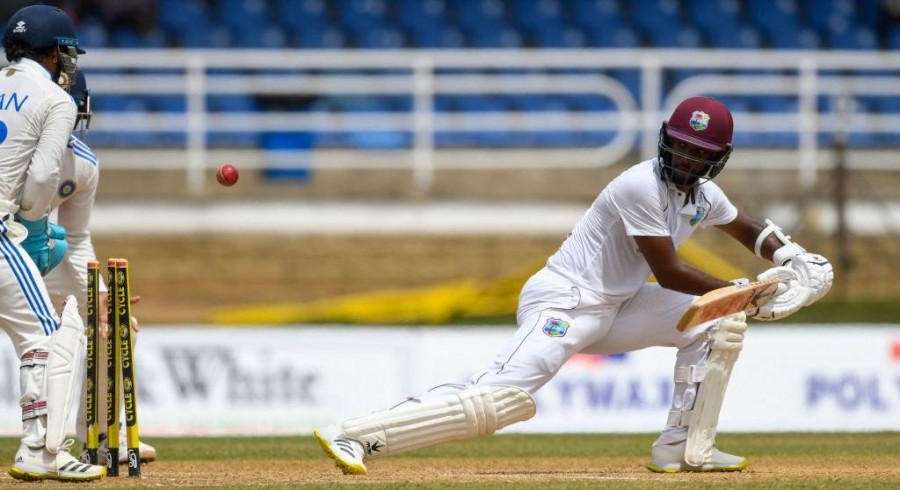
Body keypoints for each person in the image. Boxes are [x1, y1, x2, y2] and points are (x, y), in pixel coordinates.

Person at [313, 96, 834, 474]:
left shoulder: (702, 194)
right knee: (502, 398)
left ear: (718, 157)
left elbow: (747, 228)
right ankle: (358, 434)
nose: (686, 159)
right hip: (565, 298)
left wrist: (789, 254)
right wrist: (751, 292)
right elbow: (671, 271)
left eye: (699, 153)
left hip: (620, 305)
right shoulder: (639, 184)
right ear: (664, 140)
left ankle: (684, 447)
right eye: (679, 146)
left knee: (718, 326)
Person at [0, 4, 105, 481]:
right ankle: (43, 452)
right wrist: (28, 215)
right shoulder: (56, 100)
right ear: (54, 52)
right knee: (47, 336)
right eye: (66, 53)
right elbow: (44, 174)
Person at [36, 70, 159, 468]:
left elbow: (74, 237)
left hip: (38, 252)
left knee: (117, 327)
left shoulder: (82, 164)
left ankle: (104, 438)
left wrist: (101, 295)